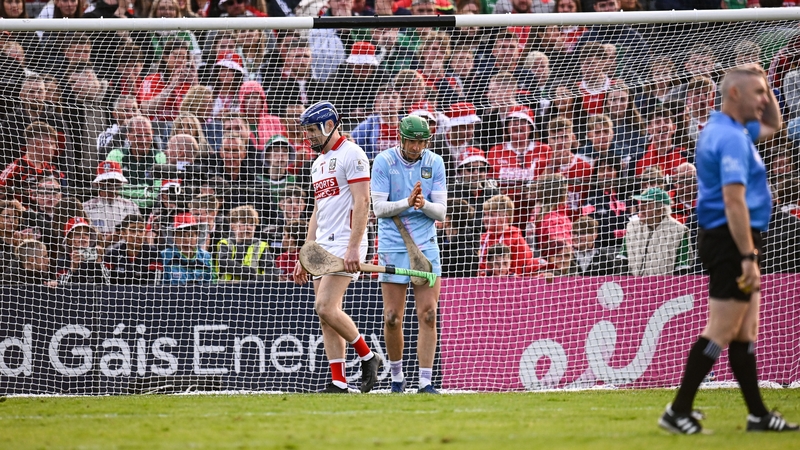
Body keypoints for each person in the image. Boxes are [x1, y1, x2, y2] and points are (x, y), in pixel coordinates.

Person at [659, 67, 799, 435]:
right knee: (721, 329)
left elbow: (774, 126)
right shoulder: (732, 139)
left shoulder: (728, 130)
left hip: (733, 236)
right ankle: (677, 410)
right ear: (734, 94)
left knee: (744, 331)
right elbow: (734, 201)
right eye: (757, 93)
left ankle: (758, 415)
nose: (765, 100)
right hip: (731, 238)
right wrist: (748, 256)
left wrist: (763, 81)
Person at [292, 101, 382, 394]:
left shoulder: (353, 154)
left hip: (346, 243)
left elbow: (362, 202)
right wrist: (306, 251)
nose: (309, 137)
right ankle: (338, 382)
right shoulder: (318, 163)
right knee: (326, 316)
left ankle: (368, 357)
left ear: (329, 126)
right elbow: (318, 210)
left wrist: (355, 247)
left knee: (325, 305)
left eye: (312, 131)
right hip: (322, 245)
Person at [371, 115, 447, 394]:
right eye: (412, 141)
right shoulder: (383, 162)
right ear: (401, 139)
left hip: (425, 245)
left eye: (421, 141)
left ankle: (425, 381)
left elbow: (441, 211)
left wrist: (422, 203)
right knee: (392, 316)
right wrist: (407, 202)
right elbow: (378, 208)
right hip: (392, 244)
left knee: (428, 314)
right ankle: (396, 378)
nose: (417, 147)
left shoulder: (435, 162)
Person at [618, 187, 692, 276]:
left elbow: (682, 268)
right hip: (633, 287)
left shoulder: (679, 231)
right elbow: (623, 261)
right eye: (641, 202)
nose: (640, 206)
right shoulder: (631, 227)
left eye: (646, 204)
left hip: (665, 287)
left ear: (659, 211)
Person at [214, 205, 278, 282]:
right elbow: (224, 262)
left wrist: (253, 280)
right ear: (233, 225)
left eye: (252, 224)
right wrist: (249, 272)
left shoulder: (261, 246)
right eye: (244, 223)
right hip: (226, 290)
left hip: (252, 291)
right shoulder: (225, 244)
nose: (249, 227)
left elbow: (272, 273)